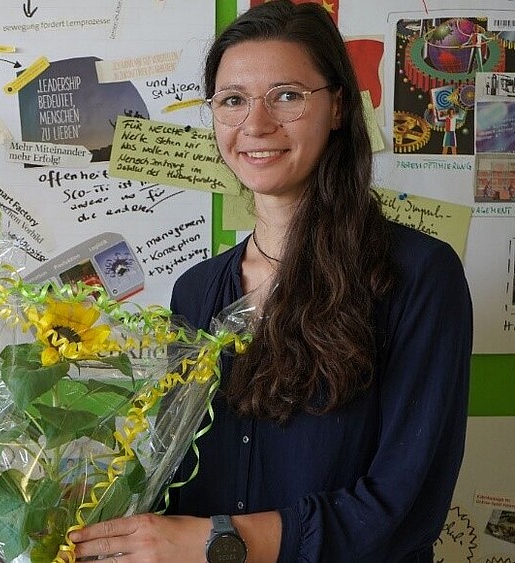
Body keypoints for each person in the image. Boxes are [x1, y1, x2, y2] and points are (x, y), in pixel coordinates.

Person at [69, 2, 472, 561]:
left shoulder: (418, 277)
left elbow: (405, 507)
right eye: (232, 100)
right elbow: (178, 473)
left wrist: (219, 542)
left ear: (336, 107)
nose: (255, 124)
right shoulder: (196, 290)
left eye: (287, 95)